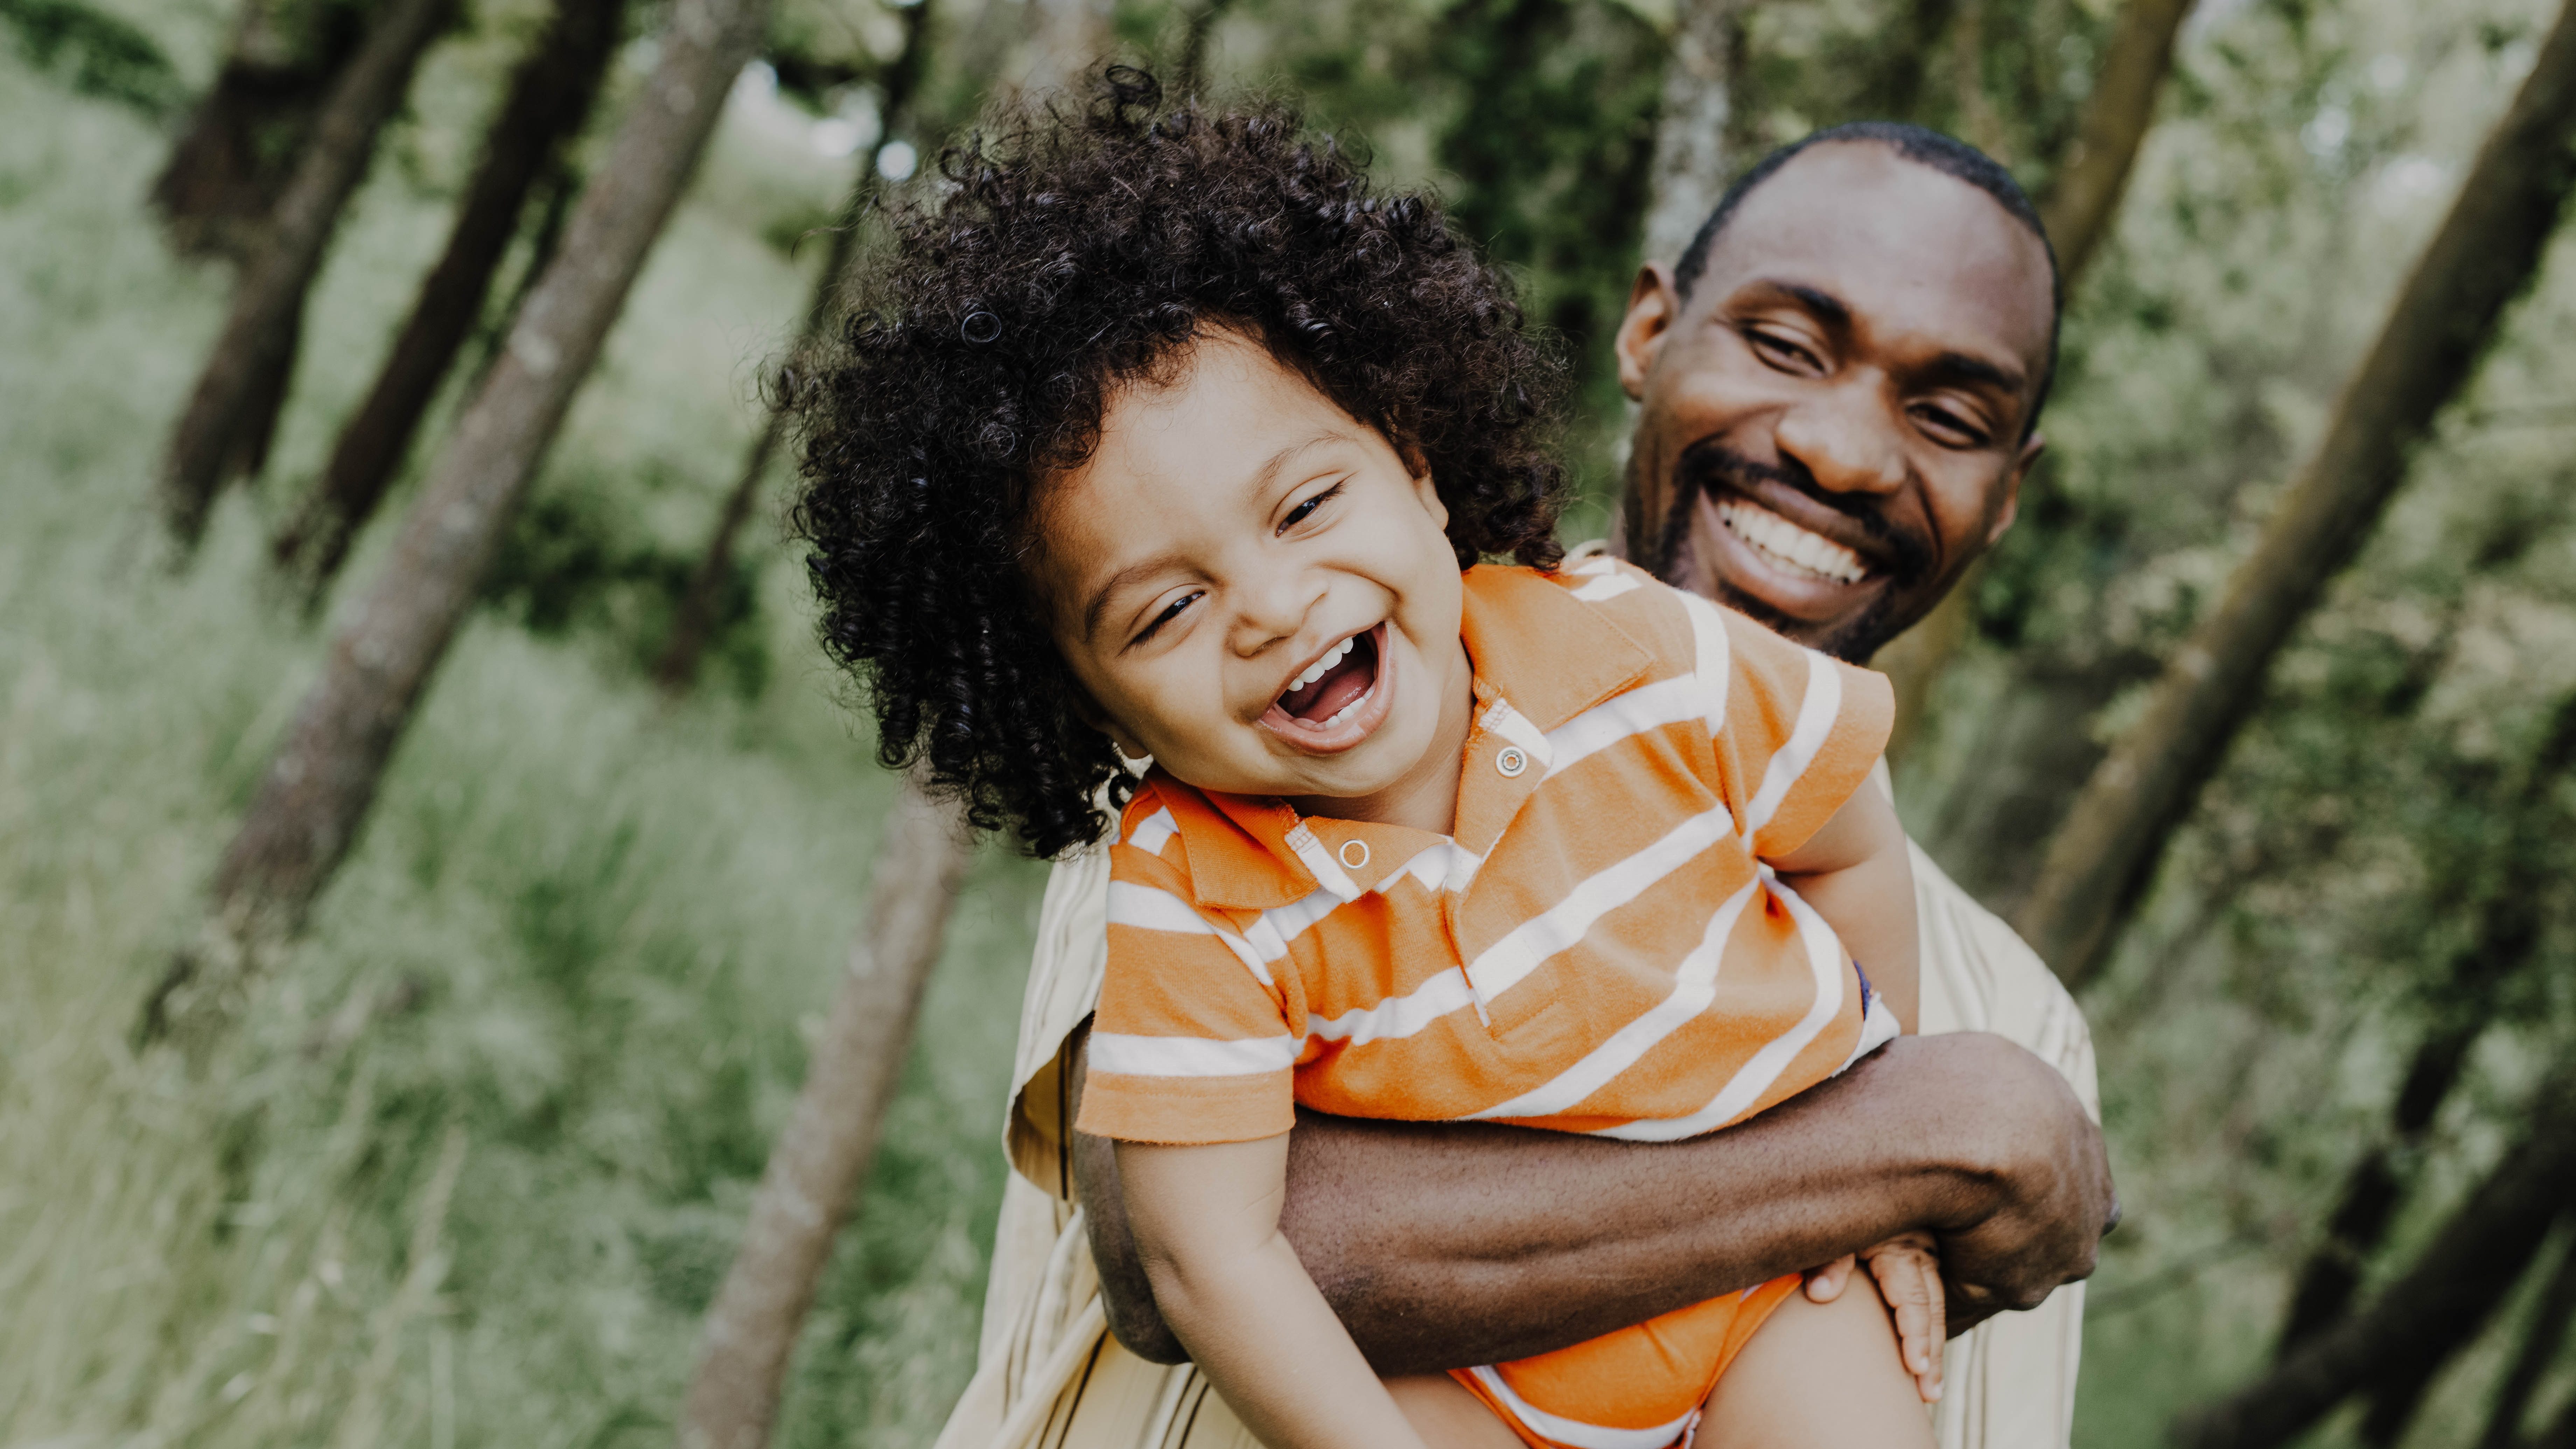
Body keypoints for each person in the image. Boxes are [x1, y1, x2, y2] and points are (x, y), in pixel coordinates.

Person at [911, 108, 2114, 1449]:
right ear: (1651, 333)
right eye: (1784, 344)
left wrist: (1901, 1128)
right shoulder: (1211, 806)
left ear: (2007, 492)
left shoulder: (2027, 1018)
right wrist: (1917, 1136)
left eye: (1949, 413)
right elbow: (1198, 1248)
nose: (1841, 452)